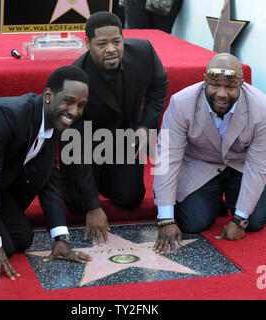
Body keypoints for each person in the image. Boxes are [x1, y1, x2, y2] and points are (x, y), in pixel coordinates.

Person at [0, 66, 92, 281]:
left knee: (22, 237)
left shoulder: (54, 121)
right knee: (2, 247)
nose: (74, 112)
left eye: (81, 105)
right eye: (69, 101)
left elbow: (50, 177)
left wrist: (60, 239)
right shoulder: (5, 114)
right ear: (48, 96)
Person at [59, 11, 168, 244]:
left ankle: (111, 178)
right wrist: (93, 206)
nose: (111, 49)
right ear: (87, 43)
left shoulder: (144, 52)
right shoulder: (76, 79)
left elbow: (159, 87)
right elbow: (74, 147)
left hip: (125, 139)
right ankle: (95, 182)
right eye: (102, 44)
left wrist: (144, 125)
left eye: (116, 41)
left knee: (130, 199)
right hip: (86, 145)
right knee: (77, 204)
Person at [153, 53, 266, 255]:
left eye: (230, 87)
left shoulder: (264, 109)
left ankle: (228, 203)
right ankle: (214, 200)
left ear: (241, 85)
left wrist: (238, 220)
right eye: (215, 85)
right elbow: (167, 156)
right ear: (204, 82)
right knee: (193, 222)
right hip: (200, 164)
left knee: (254, 221)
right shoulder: (180, 103)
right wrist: (165, 218)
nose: (222, 93)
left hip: (240, 166)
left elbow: (259, 165)